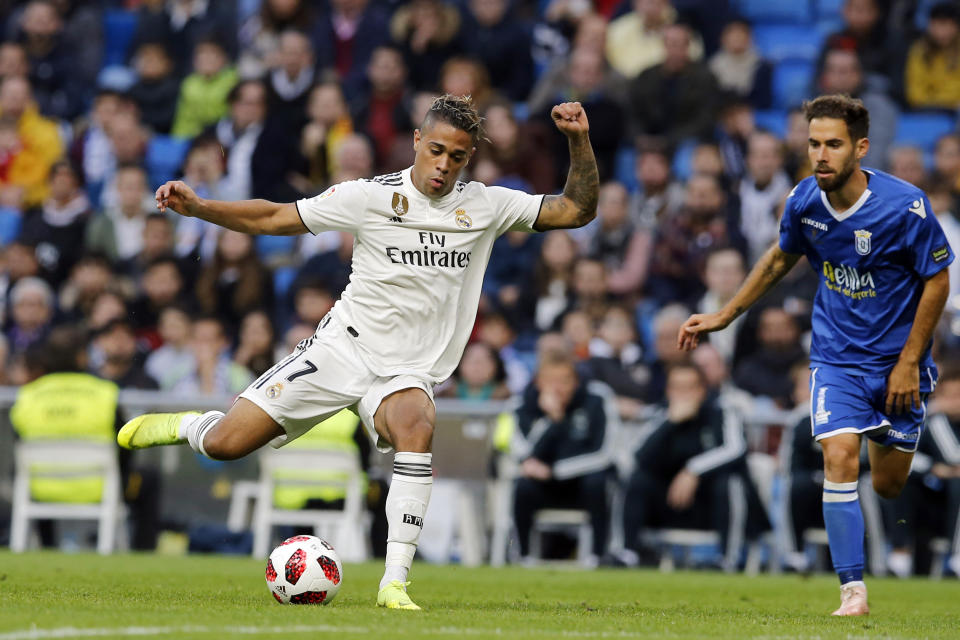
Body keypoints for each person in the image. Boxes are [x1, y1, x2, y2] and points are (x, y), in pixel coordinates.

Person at [115, 95, 599, 610]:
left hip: (406, 372)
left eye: (457, 157)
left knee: (418, 423)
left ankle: (394, 581)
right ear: (417, 141)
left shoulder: (486, 205)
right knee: (227, 446)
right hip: (340, 351)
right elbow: (277, 217)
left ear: (469, 158)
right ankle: (192, 426)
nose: (443, 165)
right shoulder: (367, 197)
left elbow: (576, 210)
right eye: (436, 150)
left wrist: (579, 140)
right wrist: (202, 207)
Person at [677, 94, 954, 615]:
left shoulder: (905, 206)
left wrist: (911, 361)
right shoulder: (804, 201)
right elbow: (781, 257)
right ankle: (853, 591)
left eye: (832, 144)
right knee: (838, 455)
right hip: (836, 359)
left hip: (898, 363)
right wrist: (724, 314)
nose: (820, 155)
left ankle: (882, 444)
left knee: (891, 486)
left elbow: (938, 278)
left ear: (860, 148)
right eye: (813, 144)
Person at [511, 347, 617, 565]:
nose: (557, 388)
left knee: (597, 483)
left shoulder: (597, 398)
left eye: (564, 380)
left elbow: (603, 454)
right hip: (544, 486)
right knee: (523, 485)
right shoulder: (521, 405)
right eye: (550, 381)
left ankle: (598, 557)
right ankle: (523, 556)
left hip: (581, 482)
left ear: (576, 381)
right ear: (538, 382)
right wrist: (552, 419)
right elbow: (525, 454)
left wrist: (555, 472)